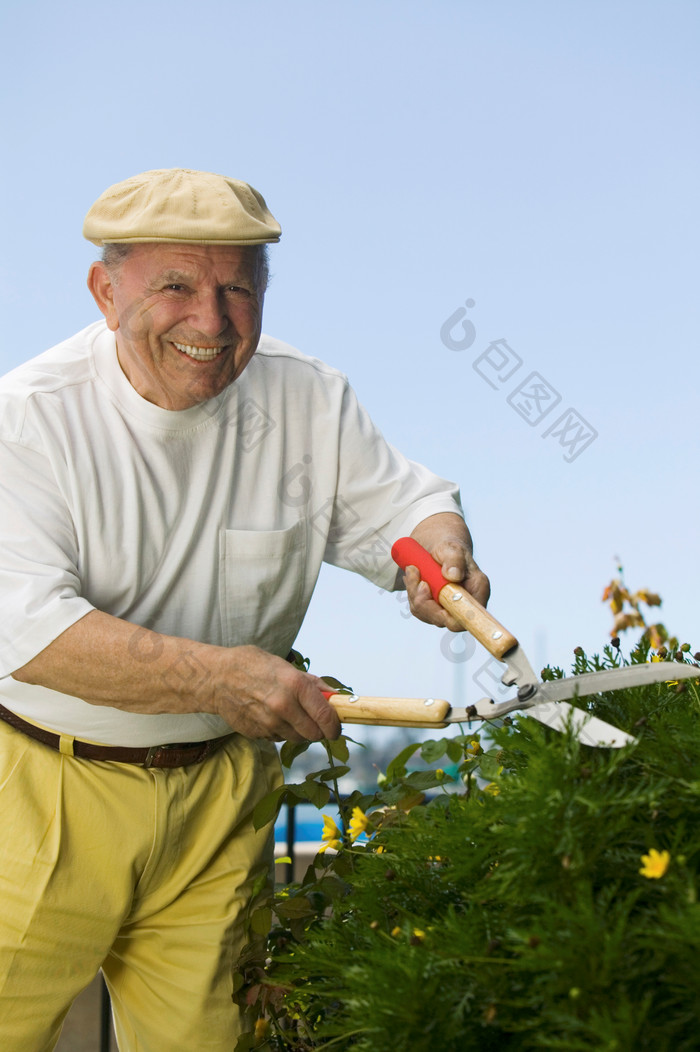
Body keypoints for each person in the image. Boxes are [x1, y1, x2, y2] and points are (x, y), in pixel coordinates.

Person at [0, 168, 489, 1051]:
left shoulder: (308, 398)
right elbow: (27, 630)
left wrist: (438, 553)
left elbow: (403, 511)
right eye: (177, 286)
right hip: (39, 793)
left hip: (220, 797)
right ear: (106, 292)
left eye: (237, 289)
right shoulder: (28, 419)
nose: (212, 322)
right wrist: (222, 676)